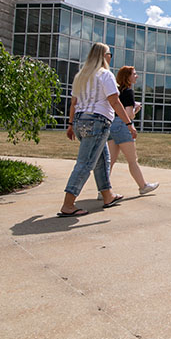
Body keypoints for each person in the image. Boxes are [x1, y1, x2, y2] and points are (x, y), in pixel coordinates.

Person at [58, 43, 133, 217]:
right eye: (109, 54)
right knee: (85, 163)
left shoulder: (81, 76)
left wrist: (70, 125)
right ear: (103, 56)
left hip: (80, 121)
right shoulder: (105, 74)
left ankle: (108, 196)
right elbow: (115, 102)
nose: (110, 57)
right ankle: (68, 204)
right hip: (97, 122)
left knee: (102, 159)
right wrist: (129, 124)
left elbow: (74, 103)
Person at [106, 65, 159, 196]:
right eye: (134, 74)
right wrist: (136, 109)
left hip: (111, 125)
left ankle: (103, 190)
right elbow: (129, 114)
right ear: (127, 77)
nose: (137, 76)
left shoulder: (117, 92)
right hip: (122, 125)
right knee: (132, 160)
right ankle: (143, 186)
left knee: (110, 160)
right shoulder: (129, 92)